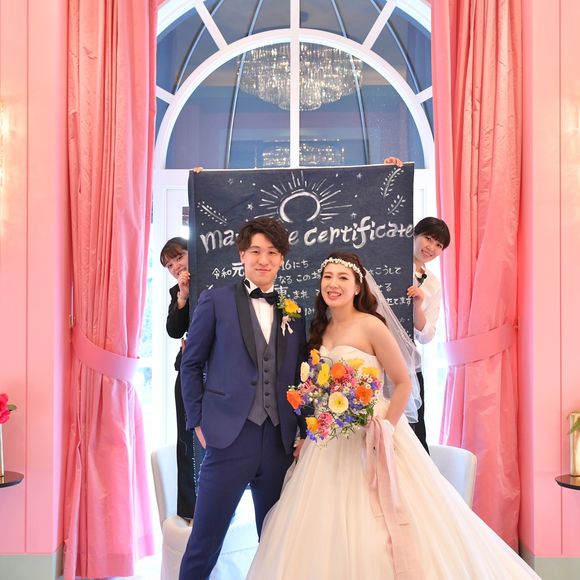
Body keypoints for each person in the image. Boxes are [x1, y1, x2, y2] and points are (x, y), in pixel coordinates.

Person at [247, 251, 540, 579]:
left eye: (343, 278)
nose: (333, 284)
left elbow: (403, 383)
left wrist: (384, 428)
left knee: (387, 519)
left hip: (374, 430)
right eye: (327, 277)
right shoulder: (321, 328)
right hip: (331, 437)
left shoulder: (371, 325)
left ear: (358, 286)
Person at [178, 217, 307, 580]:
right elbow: (191, 365)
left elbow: (301, 377)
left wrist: (304, 431)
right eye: (255, 251)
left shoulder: (294, 312)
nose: (263, 260)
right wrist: (197, 421)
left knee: (275, 542)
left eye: (272, 252)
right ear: (242, 255)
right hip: (227, 438)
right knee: (204, 541)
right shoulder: (215, 301)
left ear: (282, 259)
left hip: (279, 441)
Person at [160, 237, 204, 523]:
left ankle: (220, 504)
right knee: (187, 440)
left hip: (219, 373)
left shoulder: (215, 277)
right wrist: (183, 297)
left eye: (179, 257)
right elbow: (174, 330)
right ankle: (189, 509)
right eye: (169, 265)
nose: (175, 266)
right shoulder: (177, 292)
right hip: (188, 374)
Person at [406, 217, 451, 453]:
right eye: (428, 238)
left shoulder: (433, 283)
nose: (431, 247)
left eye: (438, 245)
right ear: (414, 234)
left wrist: (418, 307)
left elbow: (426, 336)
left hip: (409, 362)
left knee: (414, 434)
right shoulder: (390, 266)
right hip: (376, 357)